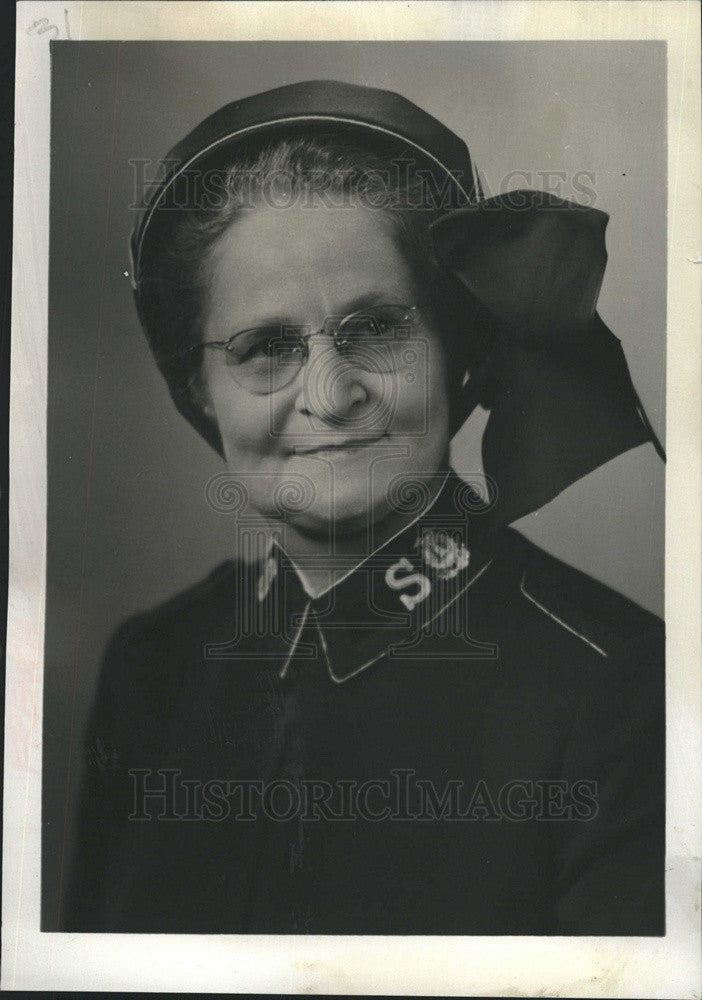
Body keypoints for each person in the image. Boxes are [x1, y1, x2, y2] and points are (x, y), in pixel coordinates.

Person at [62, 79, 665, 935]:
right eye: (265, 347)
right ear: (197, 389)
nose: (332, 395)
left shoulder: (621, 690)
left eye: (377, 328)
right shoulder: (154, 667)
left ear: (458, 345)